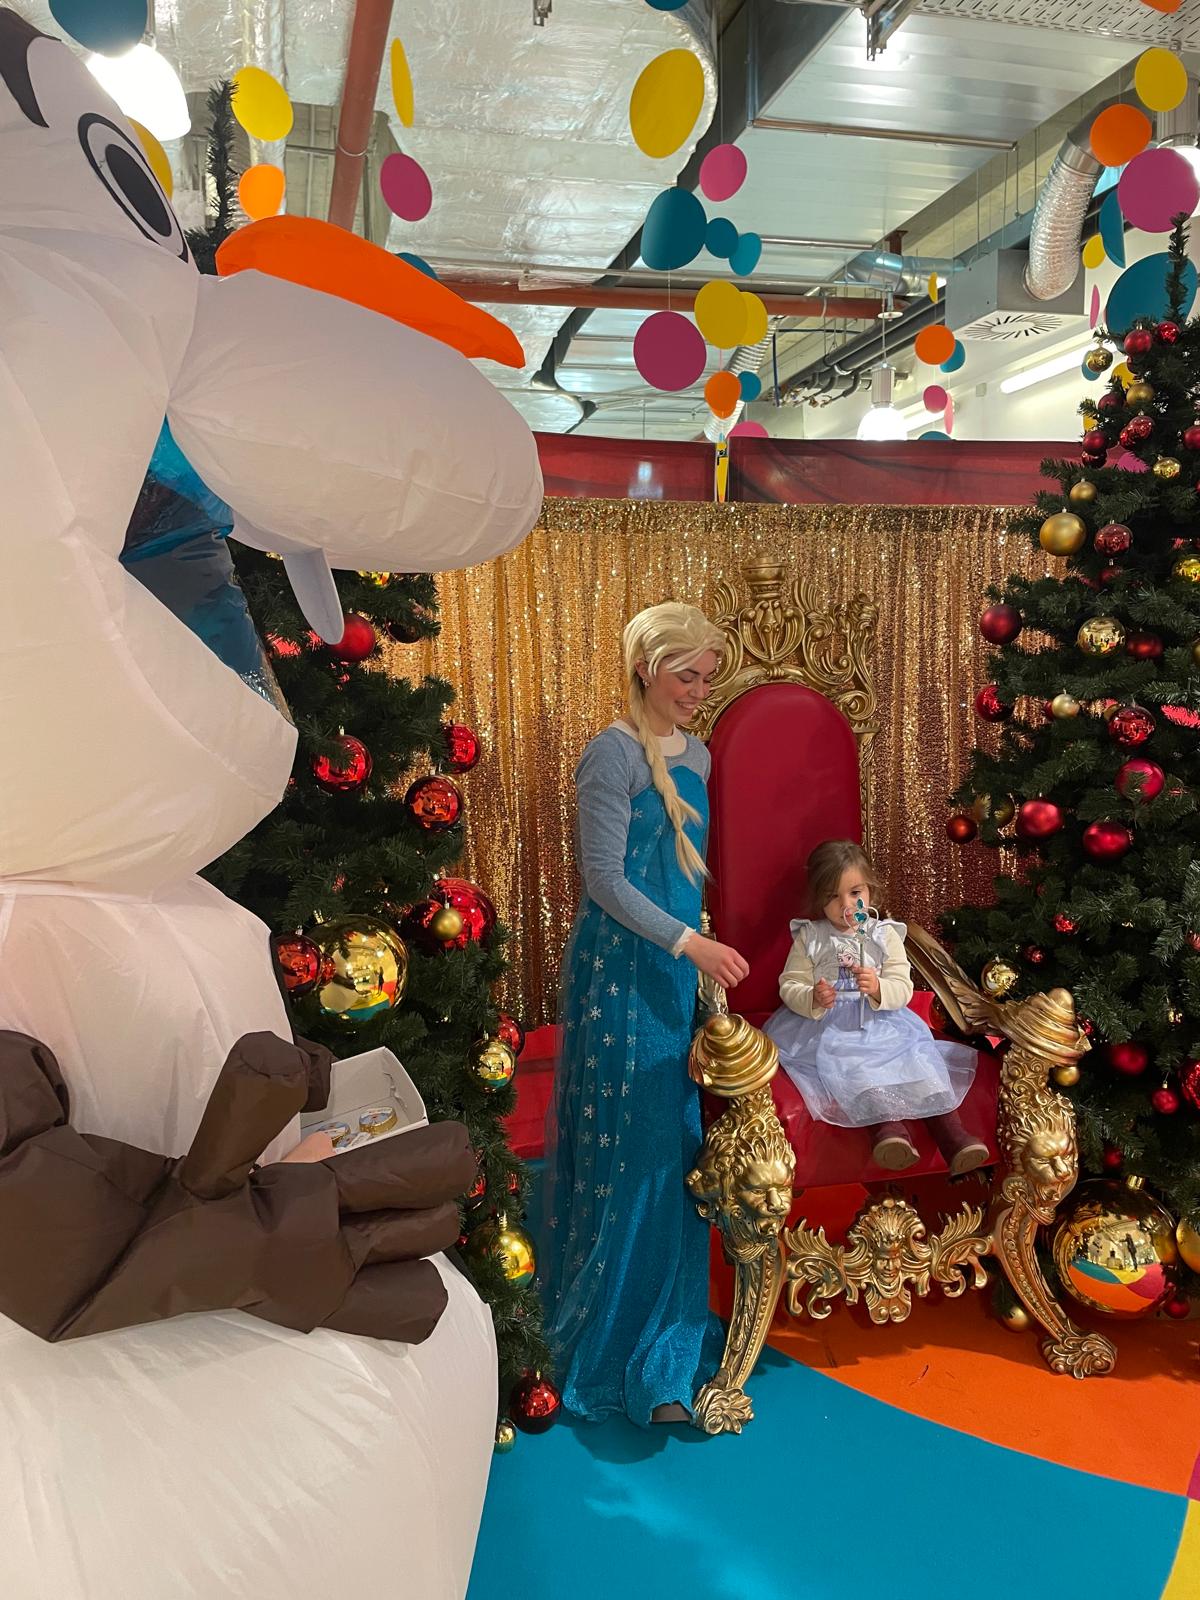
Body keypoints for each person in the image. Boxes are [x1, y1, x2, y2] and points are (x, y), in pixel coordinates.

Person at [541, 601, 749, 1427]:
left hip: (674, 973)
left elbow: (683, 879)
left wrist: (698, 956)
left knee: (677, 1151)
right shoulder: (612, 753)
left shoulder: (698, 753)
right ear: (645, 669)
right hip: (624, 975)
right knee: (633, 1148)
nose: (697, 690)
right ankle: (615, 1345)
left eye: (706, 676)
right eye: (685, 675)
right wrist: (690, 945)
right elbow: (605, 881)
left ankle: (669, 1343)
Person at [765, 839, 987, 1174]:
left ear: (870, 890)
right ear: (819, 899)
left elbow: (903, 986)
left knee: (919, 1063)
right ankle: (889, 1133)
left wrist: (880, 988)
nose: (846, 905)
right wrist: (812, 996)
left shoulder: (884, 935)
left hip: (883, 1023)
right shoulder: (811, 936)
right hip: (833, 1027)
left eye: (855, 893)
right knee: (858, 1068)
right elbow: (790, 983)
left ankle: (954, 1137)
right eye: (833, 896)